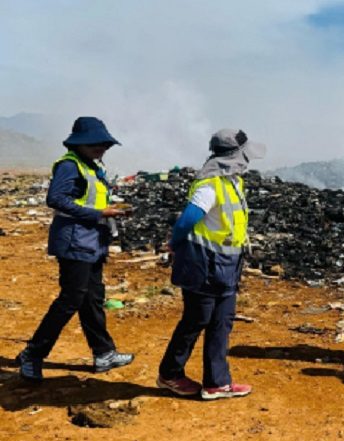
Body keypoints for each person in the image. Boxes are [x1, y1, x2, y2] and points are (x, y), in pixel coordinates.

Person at [16, 117, 134, 381]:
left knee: (92, 298)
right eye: (94, 144)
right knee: (71, 298)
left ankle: (104, 353)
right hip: (75, 241)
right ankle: (32, 354)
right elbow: (56, 199)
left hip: (92, 241)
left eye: (104, 144)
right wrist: (99, 213)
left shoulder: (91, 166)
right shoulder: (70, 166)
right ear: (79, 144)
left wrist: (108, 211)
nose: (100, 148)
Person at [156, 129, 264, 400]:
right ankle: (170, 374)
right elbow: (186, 220)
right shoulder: (210, 185)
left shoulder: (233, 182)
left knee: (221, 321)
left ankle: (217, 382)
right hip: (203, 265)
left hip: (227, 265)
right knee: (196, 319)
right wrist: (173, 244)